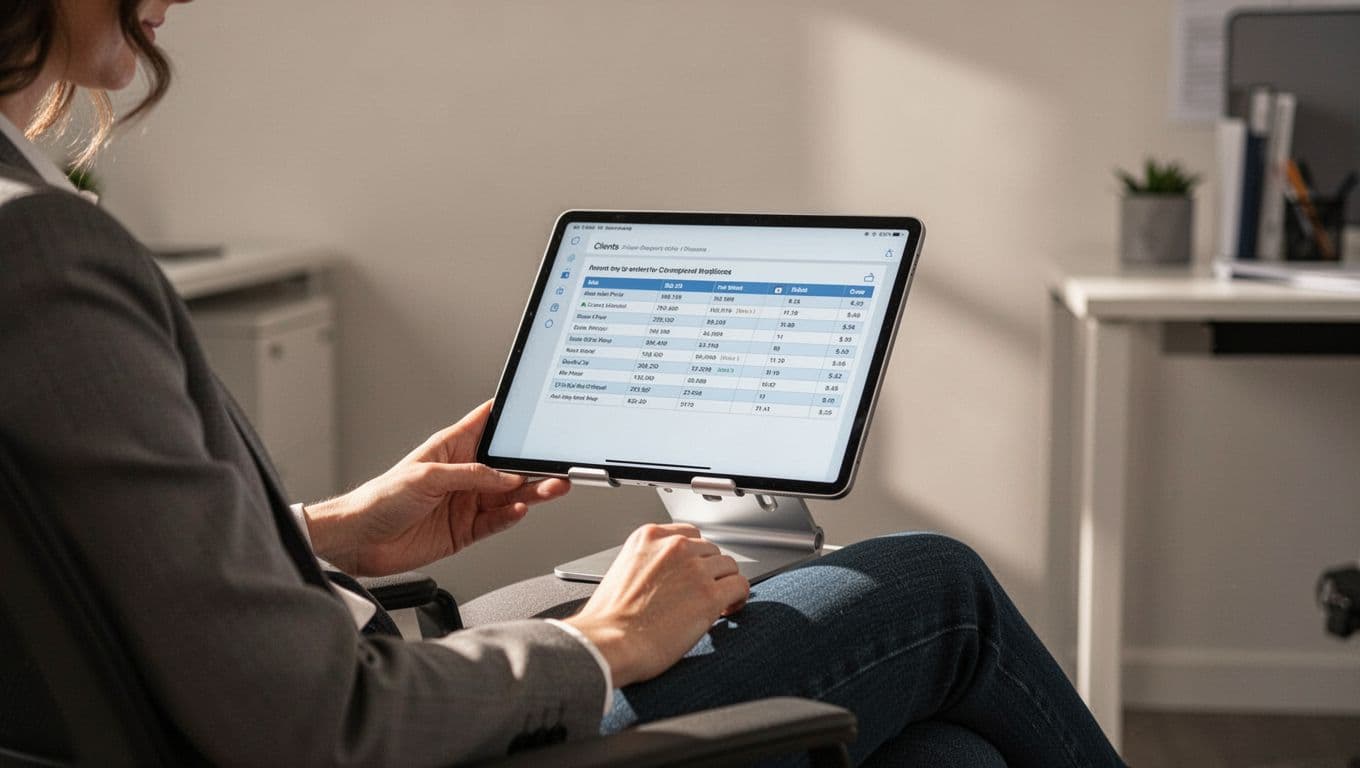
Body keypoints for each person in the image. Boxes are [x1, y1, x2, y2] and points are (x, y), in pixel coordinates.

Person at [0, 2, 1125, 766]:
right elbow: (307, 725)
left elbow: (97, 580)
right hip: (389, 723)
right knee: (938, 584)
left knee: (946, 754)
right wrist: (605, 643)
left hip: (349, 661)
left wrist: (328, 532)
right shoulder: (43, 250)